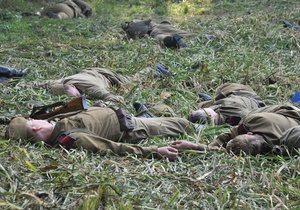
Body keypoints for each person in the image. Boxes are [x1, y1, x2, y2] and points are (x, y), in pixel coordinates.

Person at [5, 106, 194, 159]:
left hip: (124, 115)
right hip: (134, 127)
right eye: (31, 121)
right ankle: (203, 121)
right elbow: (114, 148)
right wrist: (154, 150)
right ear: (37, 128)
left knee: (161, 115)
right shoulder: (70, 138)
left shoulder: (56, 127)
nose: (34, 119)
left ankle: (148, 113)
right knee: (182, 124)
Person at [172, 104, 300, 156]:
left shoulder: (249, 123)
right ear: (249, 134)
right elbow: (225, 137)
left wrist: (198, 146)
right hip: (286, 113)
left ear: (249, 133)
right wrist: (195, 146)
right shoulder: (252, 122)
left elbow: (226, 138)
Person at [30, 68, 129, 104]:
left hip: (109, 75)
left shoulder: (91, 89)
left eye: (70, 94)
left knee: (136, 78)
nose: (72, 97)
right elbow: (37, 83)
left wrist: (100, 106)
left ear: (72, 86)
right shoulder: (62, 81)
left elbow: (116, 99)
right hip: (87, 71)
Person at [188, 83, 266, 126]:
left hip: (226, 99)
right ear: (210, 116)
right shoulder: (237, 116)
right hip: (248, 97)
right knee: (227, 86)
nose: (201, 109)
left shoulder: (215, 114)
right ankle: (210, 100)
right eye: (202, 110)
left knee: (203, 105)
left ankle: (210, 100)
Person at [122, 19, 196, 48]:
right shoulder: (136, 21)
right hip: (158, 26)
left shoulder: (132, 26)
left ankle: (174, 41)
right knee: (183, 33)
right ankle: (203, 36)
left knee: (161, 38)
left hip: (152, 32)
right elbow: (149, 21)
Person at [22, 0, 92, 19]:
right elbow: (83, 16)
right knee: (63, 15)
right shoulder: (79, 9)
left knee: (44, 12)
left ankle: (37, 14)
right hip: (70, 10)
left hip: (61, 5)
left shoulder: (71, 1)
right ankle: (57, 16)